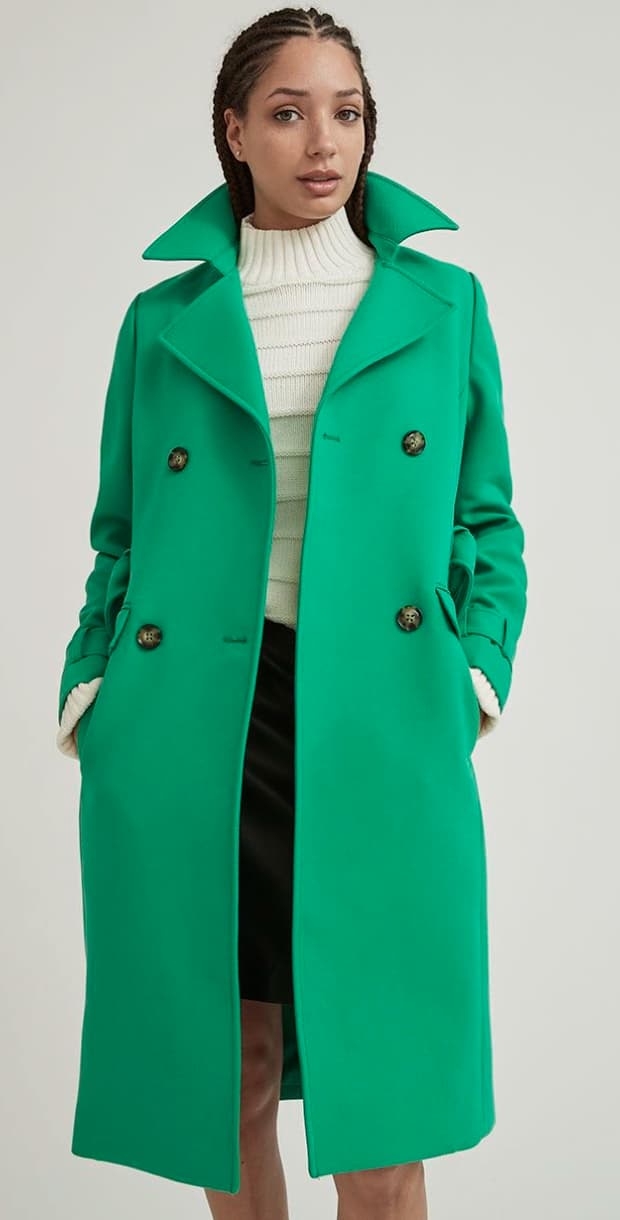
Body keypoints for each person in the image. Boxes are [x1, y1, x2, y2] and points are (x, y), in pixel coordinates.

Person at [56, 7, 527, 1218]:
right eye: (286, 112)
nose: (323, 142)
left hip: (380, 718)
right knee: (230, 1073)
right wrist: (91, 686)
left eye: (345, 112)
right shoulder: (161, 322)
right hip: (196, 726)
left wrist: (473, 670)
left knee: (386, 1099)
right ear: (233, 132)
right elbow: (121, 532)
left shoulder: (442, 304)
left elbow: (485, 520)